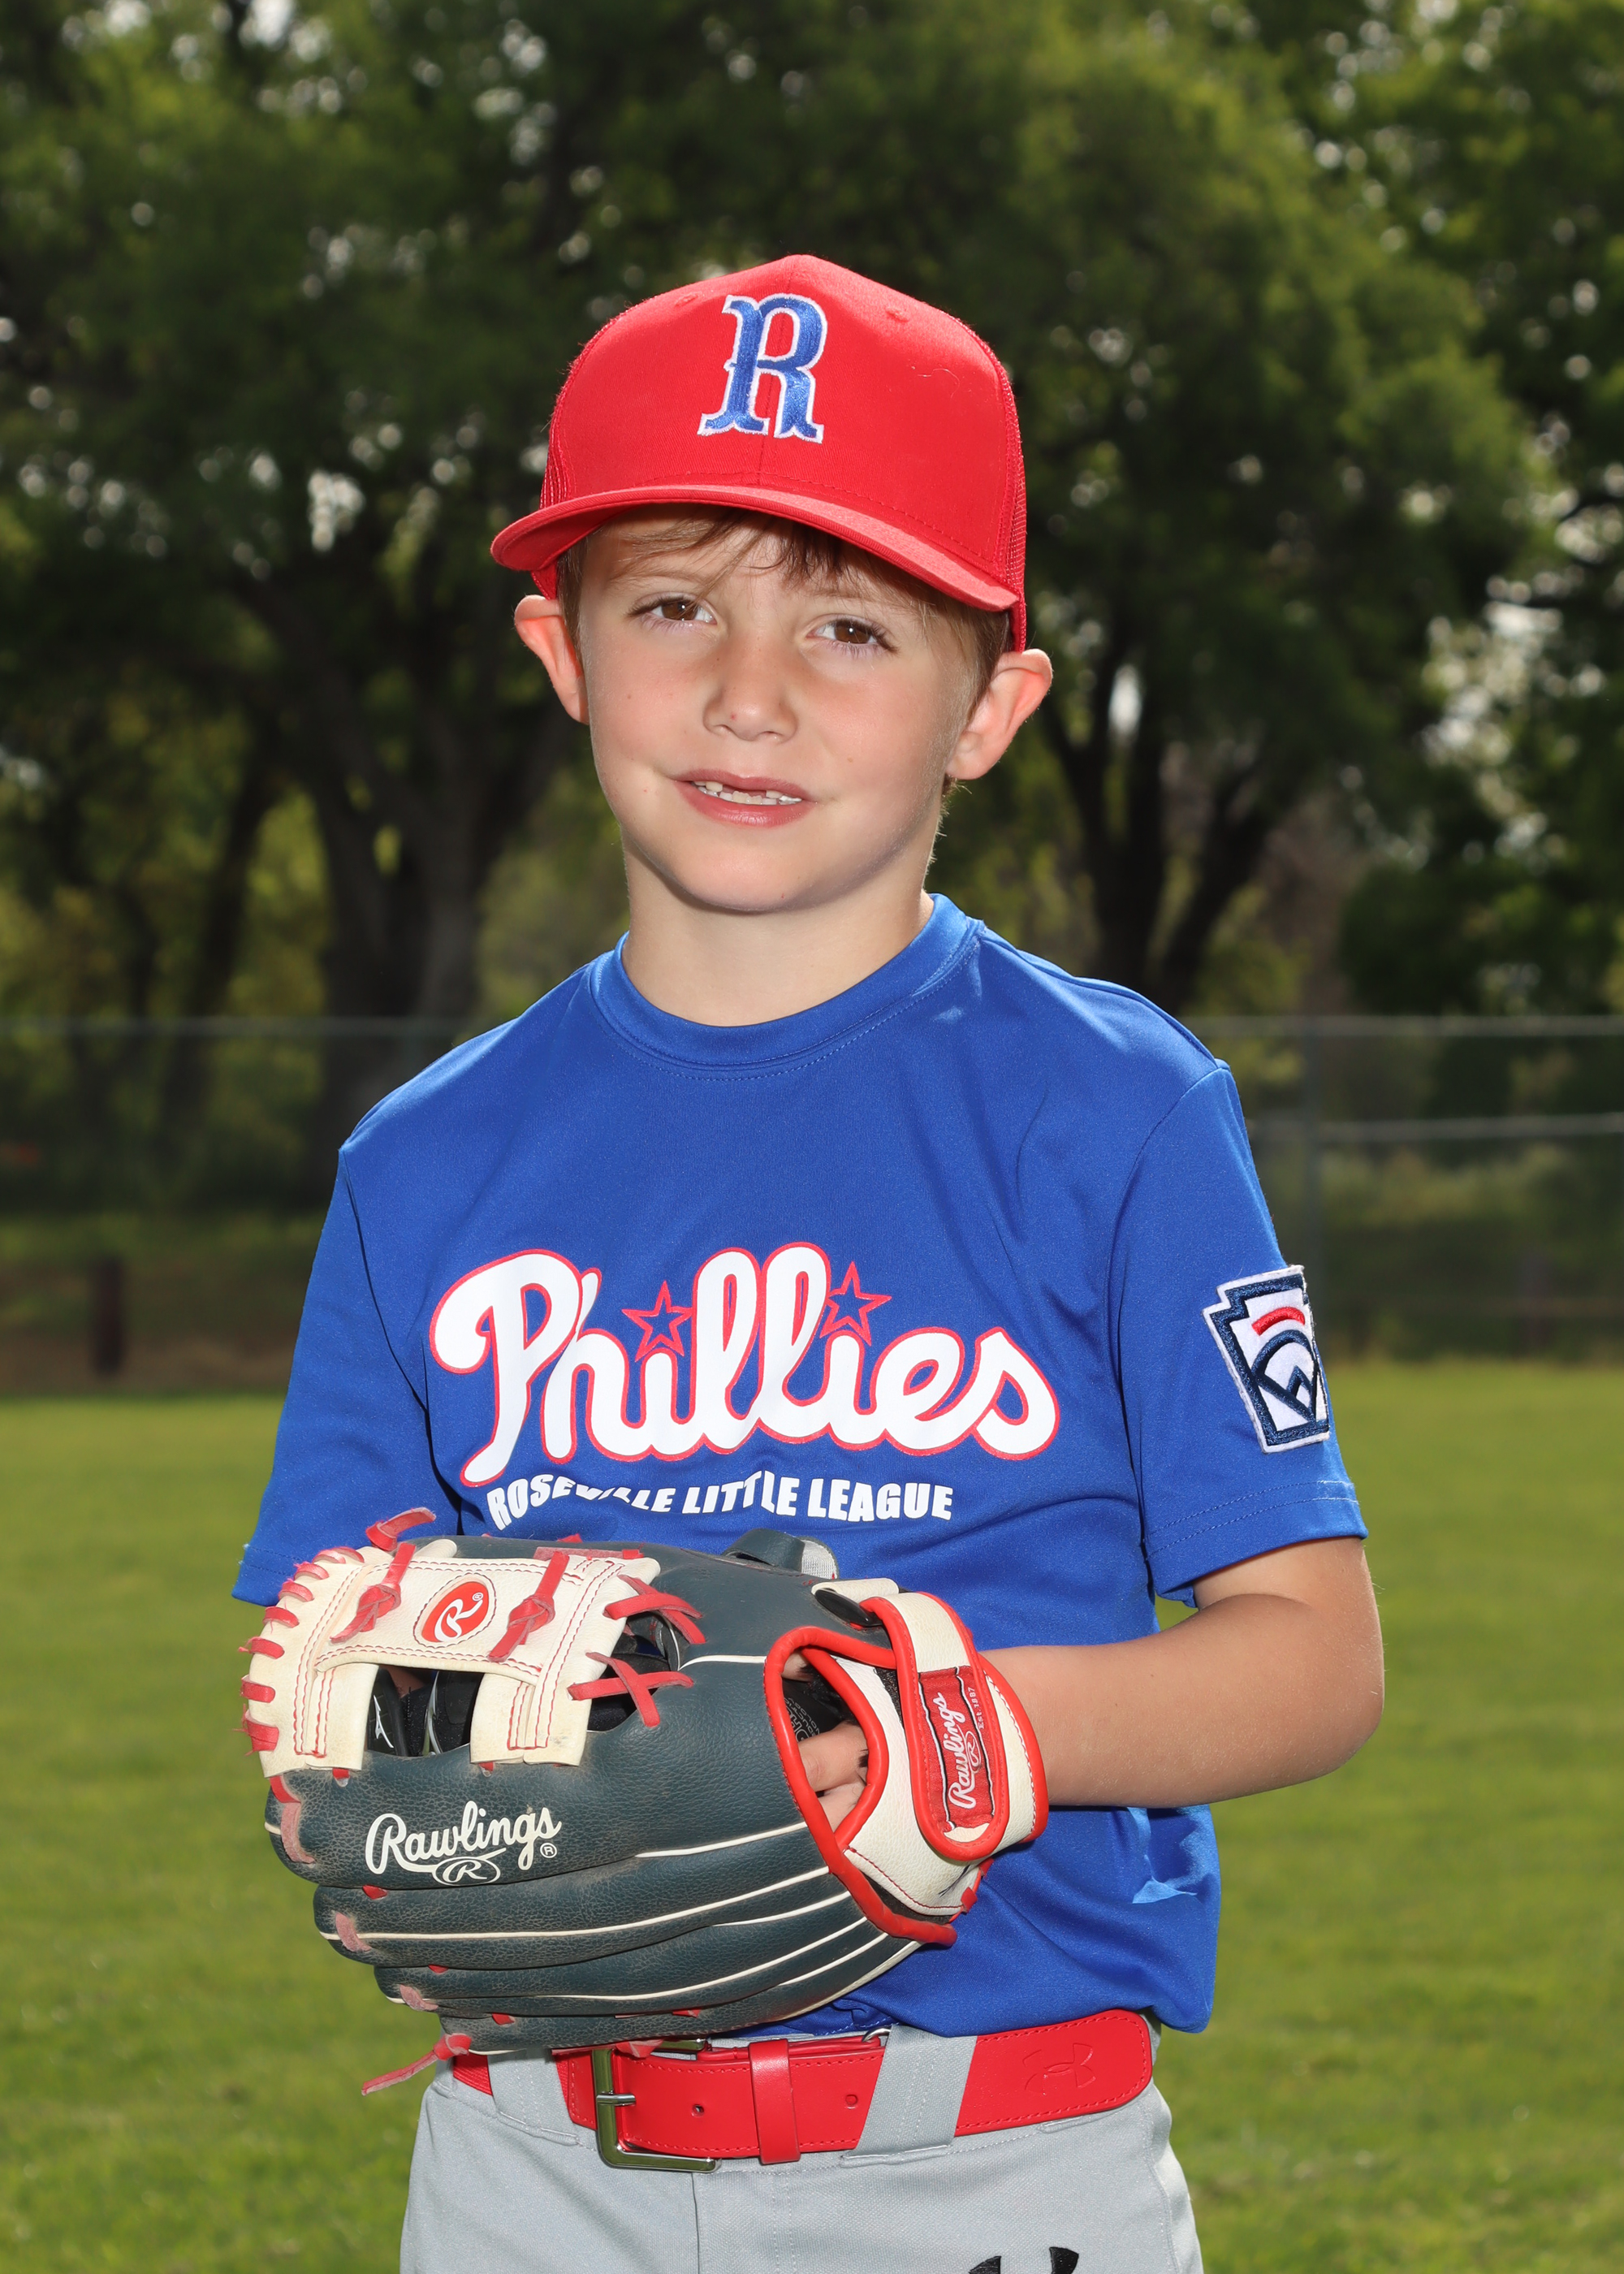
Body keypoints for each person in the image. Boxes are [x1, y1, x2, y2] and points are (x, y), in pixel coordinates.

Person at [235, 253, 1383, 2274]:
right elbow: (328, 1658)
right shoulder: (429, 1159)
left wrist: (968, 1730)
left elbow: (1312, 1653)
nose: (748, 690)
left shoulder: (1114, 1110)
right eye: (674, 604)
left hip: (993, 2154)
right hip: (533, 2161)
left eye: (849, 623)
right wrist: (440, 1769)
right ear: (561, 649)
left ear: (990, 705)